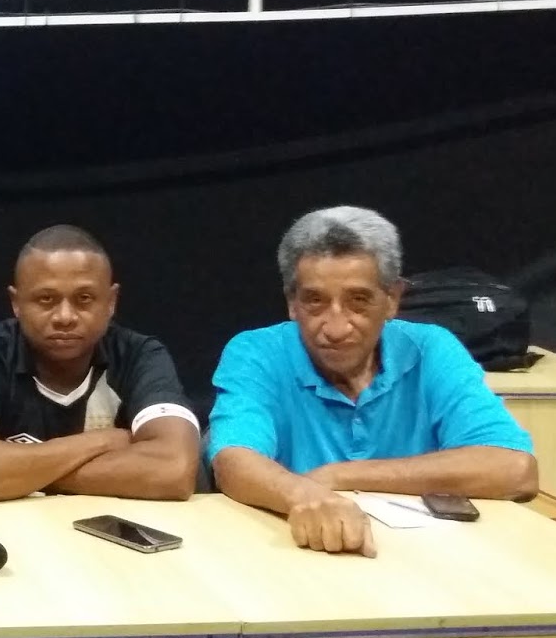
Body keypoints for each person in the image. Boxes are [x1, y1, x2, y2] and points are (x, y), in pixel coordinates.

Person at [208, 205, 537, 557]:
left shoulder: (432, 348)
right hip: (297, 554)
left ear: (392, 299)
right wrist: (304, 496)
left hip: (424, 559)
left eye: (358, 301)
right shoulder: (256, 352)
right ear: (292, 303)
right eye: (315, 301)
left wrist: (339, 476)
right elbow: (233, 461)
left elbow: (515, 469)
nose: (336, 328)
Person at [0, 225, 199, 504]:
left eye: (84, 299)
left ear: (111, 301)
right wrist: (102, 441)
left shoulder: (139, 355)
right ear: (16, 303)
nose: (65, 317)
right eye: (46, 299)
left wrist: (13, 475)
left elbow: (174, 471)